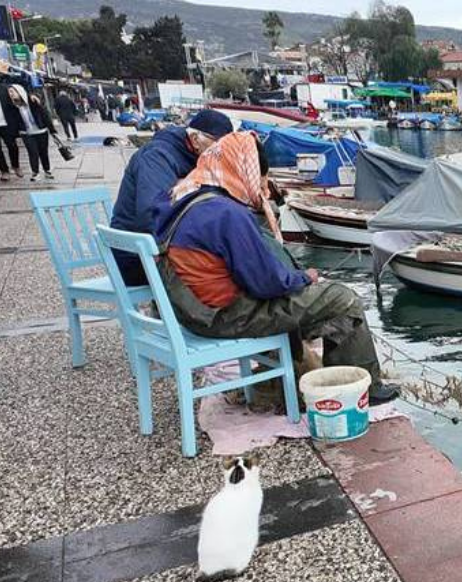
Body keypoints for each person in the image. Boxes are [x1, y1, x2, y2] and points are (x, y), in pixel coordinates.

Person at [153, 131, 399, 405]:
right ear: (244, 170)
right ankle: (363, 389)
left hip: (191, 313)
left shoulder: (184, 197)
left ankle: (287, 381)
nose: (263, 186)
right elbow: (267, 284)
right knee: (342, 299)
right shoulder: (227, 213)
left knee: (304, 300)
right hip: (224, 318)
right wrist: (304, 277)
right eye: (261, 177)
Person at [110, 109, 233, 285]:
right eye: (219, 146)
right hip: (137, 254)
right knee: (225, 273)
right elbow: (152, 214)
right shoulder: (156, 156)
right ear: (195, 139)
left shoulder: (199, 155)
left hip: (161, 246)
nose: (222, 153)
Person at [9, 86, 56, 181]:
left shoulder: (33, 100)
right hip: (26, 133)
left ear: (19, 91)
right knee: (32, 152)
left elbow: (44, 114)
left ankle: (47, 170)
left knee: (43, 152)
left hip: (41, 131)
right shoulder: (12, 106)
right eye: (9, 92)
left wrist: (52, 129)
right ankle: (35, 173)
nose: (10, 94)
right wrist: (15, 134)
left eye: (12, 91)